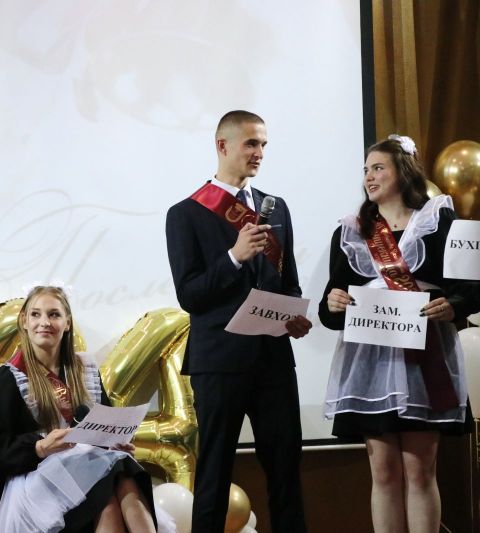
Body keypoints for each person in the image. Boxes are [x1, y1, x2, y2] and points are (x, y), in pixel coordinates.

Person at [319, 135, 478, 533]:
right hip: (371, 366)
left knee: (420, 470)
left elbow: (471, 287)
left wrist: (453, 306)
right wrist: (333, 303)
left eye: (378, 168)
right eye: (366, 170)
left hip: (425, 357)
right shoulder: (352, 232)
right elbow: (330, 308)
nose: (369, 177)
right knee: (384, 472)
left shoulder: (438, 221)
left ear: (403, 172)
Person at [165, 110, 312, 533]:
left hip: (273, 359)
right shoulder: (185, 213)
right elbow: (190, 295)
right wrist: (234, 257)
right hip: (219, 362)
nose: (259, 152)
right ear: (222, 145)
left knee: (285, 470)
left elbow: (288, 282)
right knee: (213, 472)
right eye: (251, 143)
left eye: (263, 144)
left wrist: (293, 314)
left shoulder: (275, 207)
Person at [0, 285, 172, 533]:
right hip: (36, 480)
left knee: (117, 475)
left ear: (67, 323)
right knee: (112, 482)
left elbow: (105, 425)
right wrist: (39, 447)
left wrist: (116, 442)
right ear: (24, 321)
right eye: (36, 314)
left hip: (87, 469)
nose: (44, 322)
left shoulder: (85, 368)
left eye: (54, 314)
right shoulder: (7, 378)